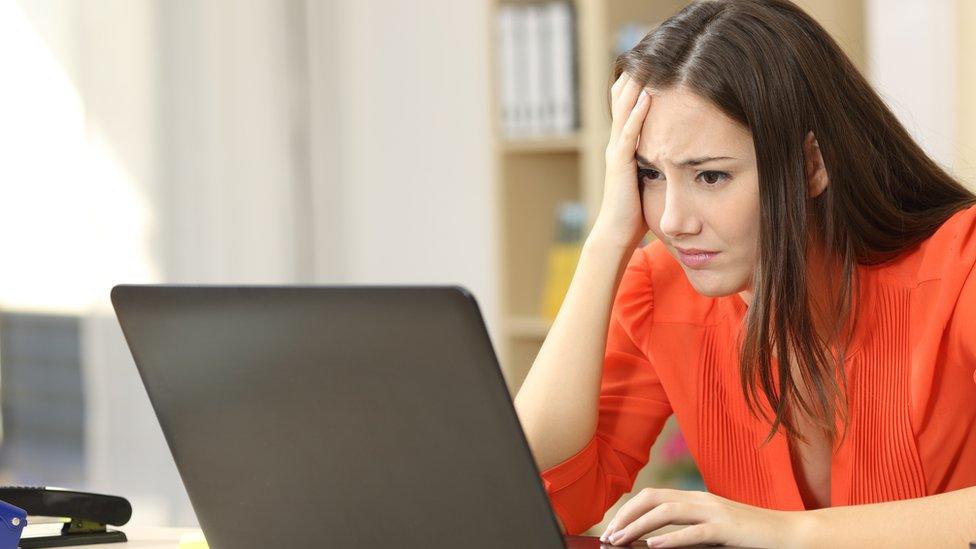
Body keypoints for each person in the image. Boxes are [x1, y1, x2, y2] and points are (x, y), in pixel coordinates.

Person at [511, 0, 976, 547]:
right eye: (649, 174)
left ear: (811, 166)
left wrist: (789, 533)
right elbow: (537, 495)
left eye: (709, 176)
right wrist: (607, 240)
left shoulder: (960, 264)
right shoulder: (659, 287)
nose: (672, 221)